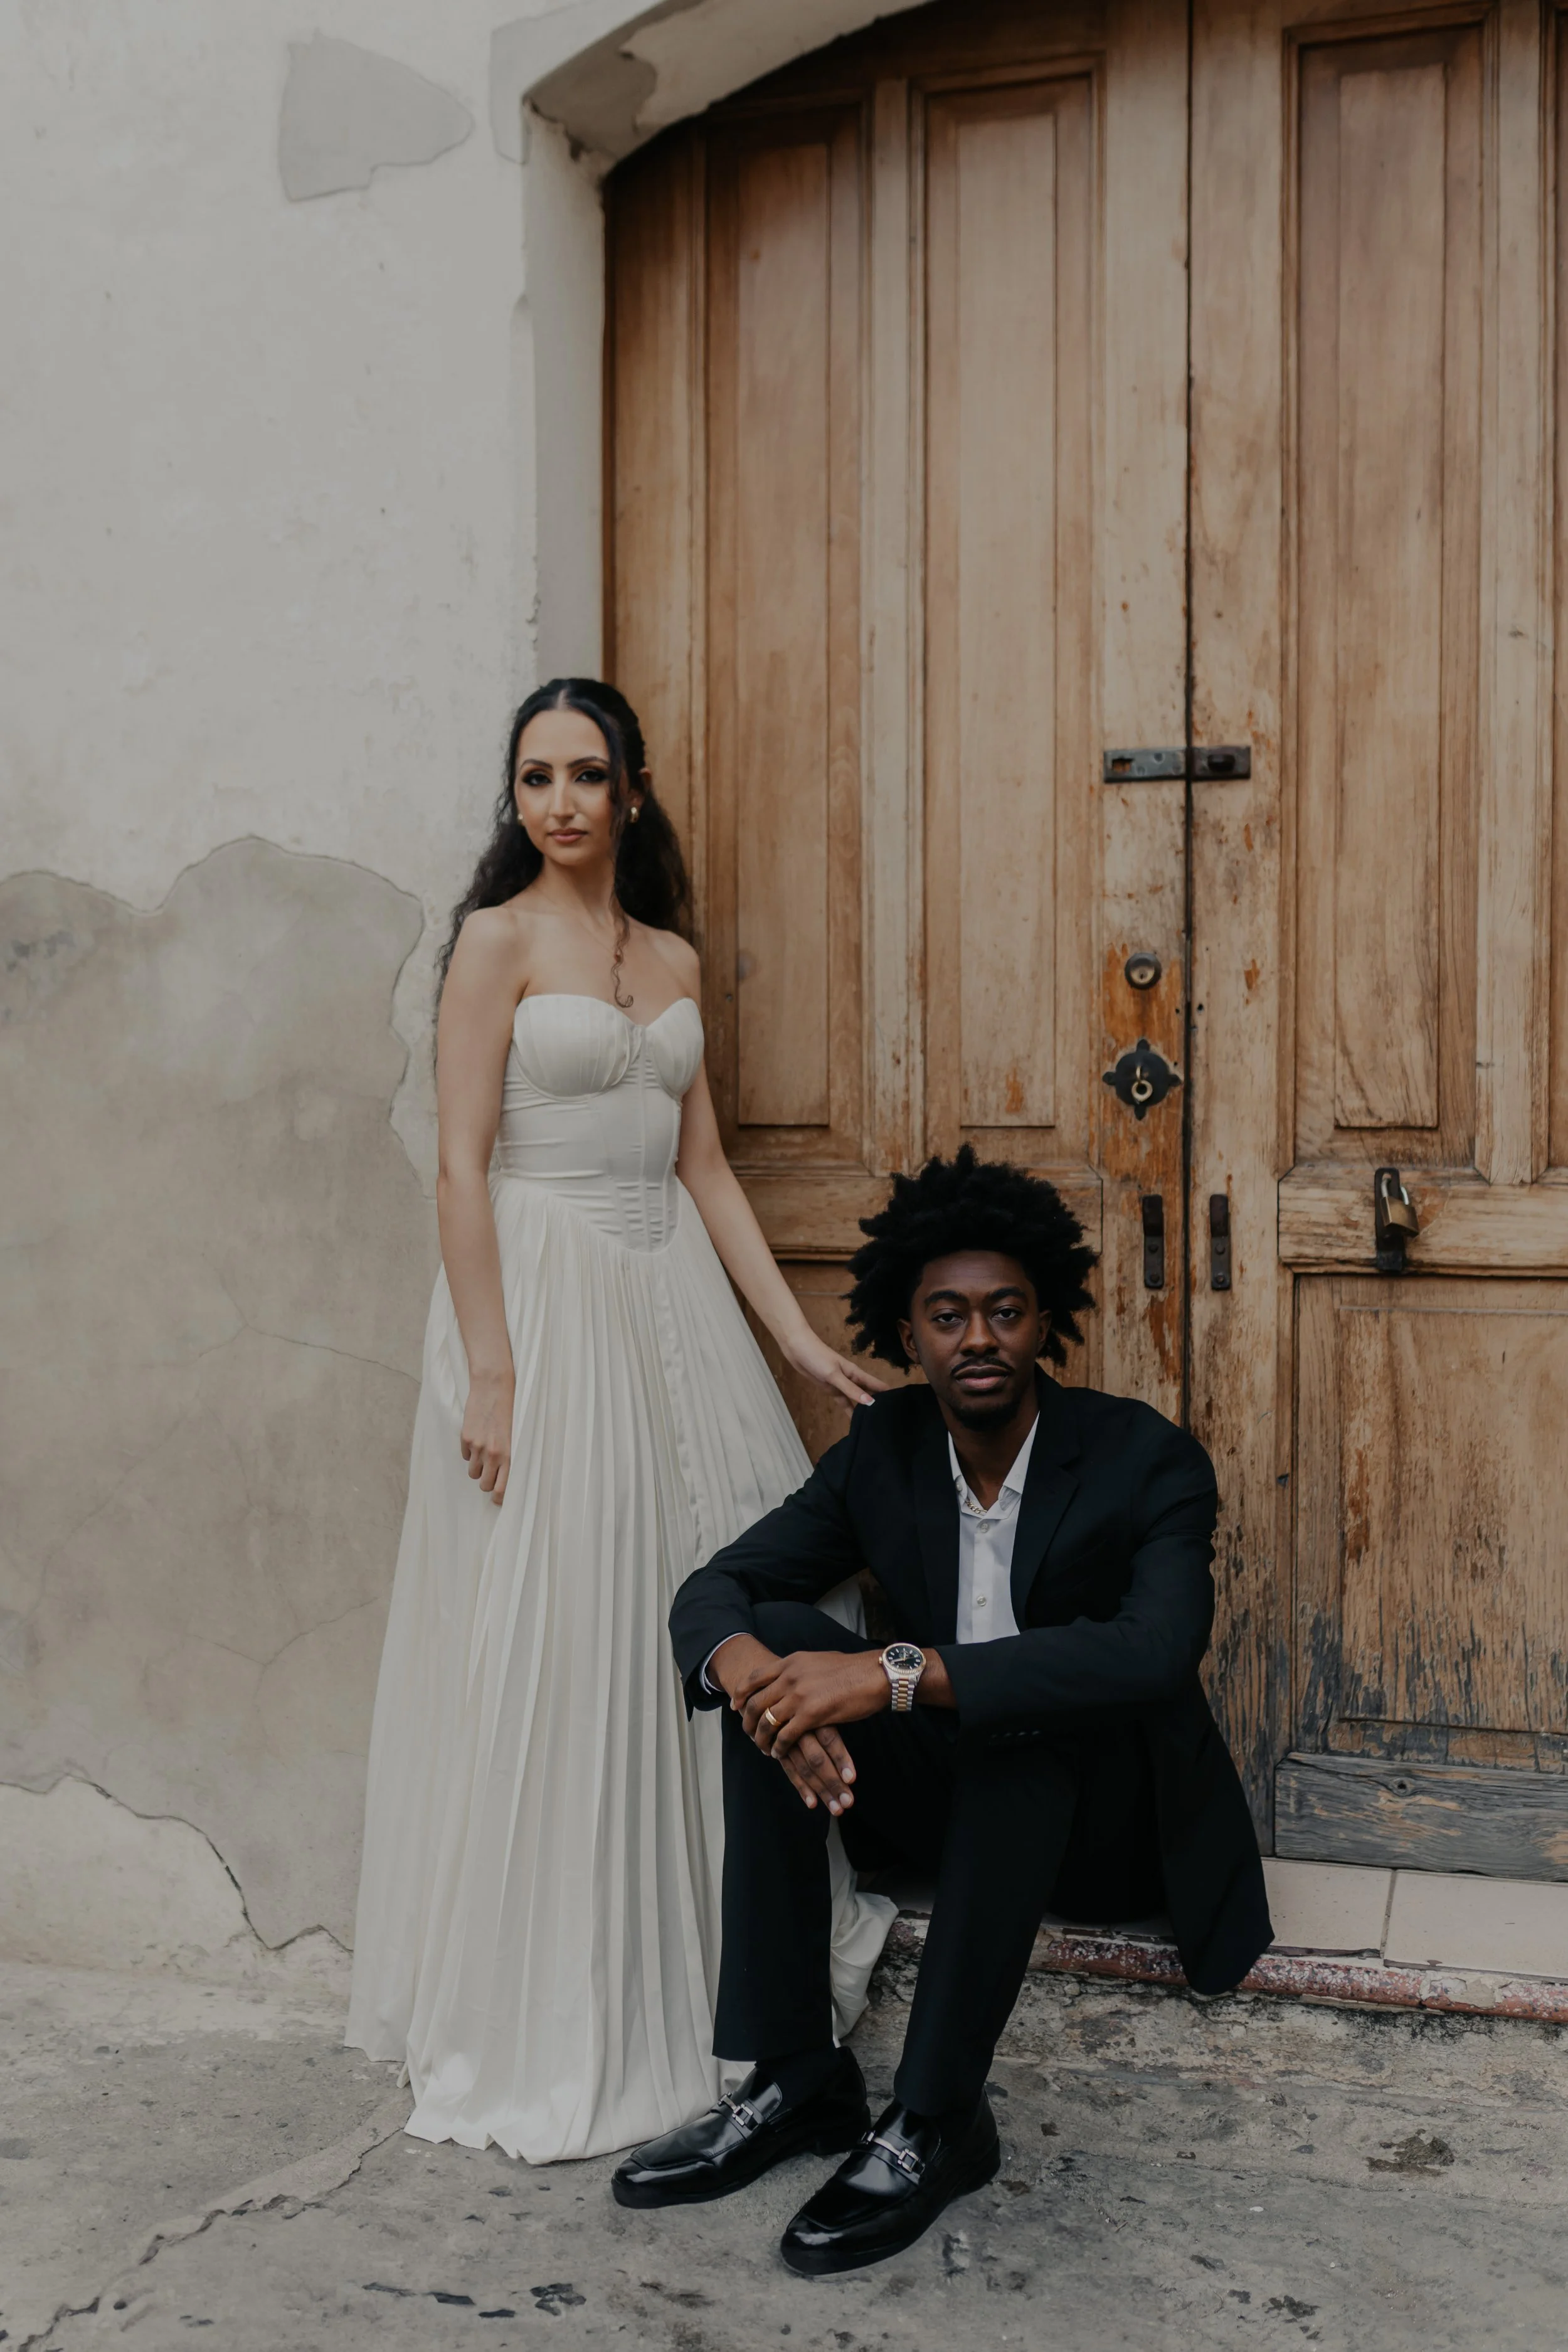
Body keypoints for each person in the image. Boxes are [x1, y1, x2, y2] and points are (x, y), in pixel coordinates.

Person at [346, 679, 895, 2163]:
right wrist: (497, 1368)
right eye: (535, 777)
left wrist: (791, 1339)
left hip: (671, 1305)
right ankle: (570, 2000)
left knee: (709, 1604)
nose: (561, 801)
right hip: (543, 1299)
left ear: (633, 790)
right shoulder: (495, 942)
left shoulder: (667, 957)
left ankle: (726, 1977)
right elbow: (460, 1170)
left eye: (587, 774)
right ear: (514, 797)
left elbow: (702, 1164)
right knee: (570, 1628)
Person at [614, 1148, 1273, 2273]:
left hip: (1101, 1830)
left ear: (1044, 1322)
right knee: (779, 1658)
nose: (980, 1338)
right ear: (909, 1335)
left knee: (1021, 1710)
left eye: (1006, 1312)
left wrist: (898, 1673)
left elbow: (1154, 1653)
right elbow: (714, 1591)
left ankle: (934, 2117)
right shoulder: (885, 1448)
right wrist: (749, 1671)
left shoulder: (1141, 1456)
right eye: (950, 1316)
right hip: (948, 1816)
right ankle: (794, 2075)